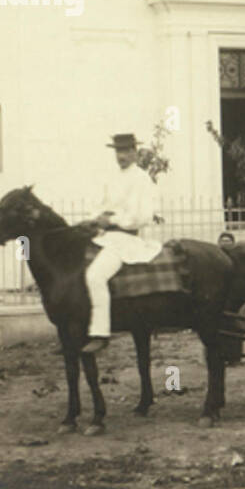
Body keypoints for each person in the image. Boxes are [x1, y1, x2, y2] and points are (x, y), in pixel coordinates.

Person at [82, 134, 162, 354]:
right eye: (118, 151)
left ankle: (100, 333)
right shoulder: (111, 177)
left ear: (135, 153)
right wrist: (96, 217)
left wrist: (113, 220)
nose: (122, 156)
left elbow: (142, 216)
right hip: (104, 235)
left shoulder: (142, 179)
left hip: (125, 239)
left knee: (95, 276)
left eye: (126, 151)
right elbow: (98, 204)